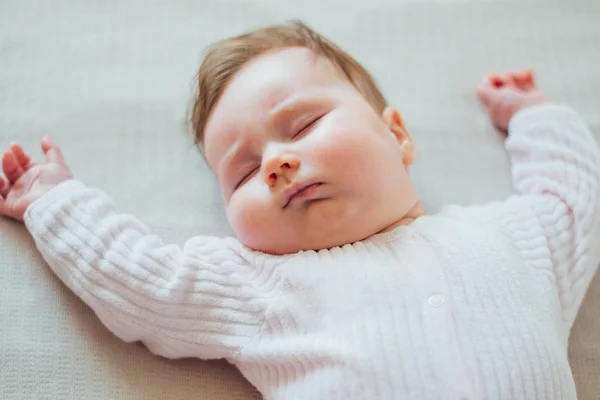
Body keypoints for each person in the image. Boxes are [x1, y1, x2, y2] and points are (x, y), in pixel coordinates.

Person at [1, 21, 599, 400]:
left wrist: (536, 116)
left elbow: (576, 199)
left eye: (305, 124)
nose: (275, 164)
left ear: (398, 136)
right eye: (241, 173)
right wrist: (58, 202)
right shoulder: (262, 286)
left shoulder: (511, 239)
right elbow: (146, 283)